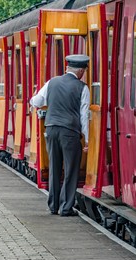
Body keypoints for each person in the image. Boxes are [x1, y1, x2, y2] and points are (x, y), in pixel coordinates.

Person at [30, 54, 90, 217]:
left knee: (55, 167)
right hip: (70, 132)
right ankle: (66, 208)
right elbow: (84, 115)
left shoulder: (52, 82)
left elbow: (35, 101)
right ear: (81, 71)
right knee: (70, 170)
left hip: (51, 129)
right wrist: (87, 140)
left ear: (67, 69)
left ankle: (53, 205)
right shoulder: (82, 87)